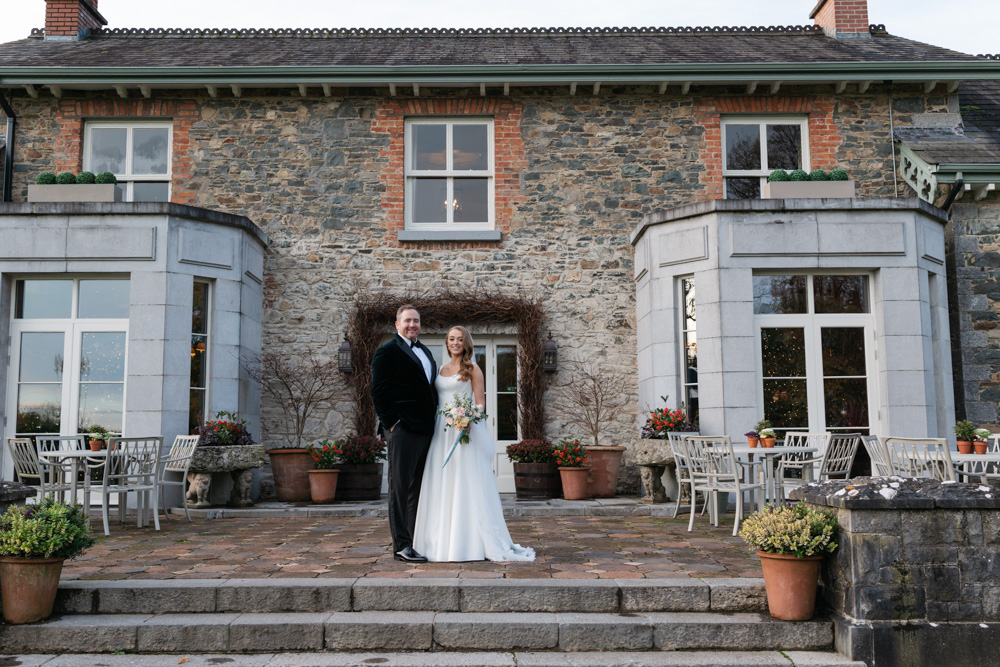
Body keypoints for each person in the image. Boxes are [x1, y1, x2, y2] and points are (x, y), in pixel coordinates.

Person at [413, 325, 535, 562]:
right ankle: (439, 542)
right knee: (442, 480)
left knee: (464, 482)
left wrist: (467, 418)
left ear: (466, 343)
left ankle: (467, 543)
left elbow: (480, 403)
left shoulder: (473, 369)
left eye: (460, 339)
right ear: (446, 343)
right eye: (451, 339)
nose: (455, 343)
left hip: (463, 430)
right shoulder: (440, 369)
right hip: (441, 430)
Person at [371, 305, 437, 563]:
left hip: (425, 430)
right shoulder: (386, 351)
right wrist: (392, 423)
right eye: (408, 320)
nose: (413, 325)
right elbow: (378, 390)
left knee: (415, 489)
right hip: (402, 429)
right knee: (399, 489)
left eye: (417, 321)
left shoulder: (426, 351)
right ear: (397, 324)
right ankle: (401, 546)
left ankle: (412, 540)